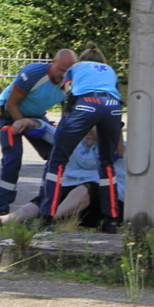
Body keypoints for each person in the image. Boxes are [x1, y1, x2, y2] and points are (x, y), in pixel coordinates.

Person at [37, 44, 123, 233]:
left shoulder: (74, 68)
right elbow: (116, 94)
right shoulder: (110, 71)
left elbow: (69, 93)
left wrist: (66, 123)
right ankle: (111, 220)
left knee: (57, 161)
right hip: (112, 106)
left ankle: (47, 218)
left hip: (87, 104)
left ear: (81, 60)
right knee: (107, 164)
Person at [0, 126, 121, 230]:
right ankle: (2, 220)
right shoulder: (82, 146)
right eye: (87, 127)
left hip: (112, 207)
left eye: (94, 127)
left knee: (88, 188)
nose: (88, 131)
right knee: (52, 194)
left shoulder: (119, 149)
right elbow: (54, 133)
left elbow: (111, 148)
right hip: (81, 206)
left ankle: (44, 222)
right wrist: (32, 123)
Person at [0, 49, 76, 216]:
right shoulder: (33, 74)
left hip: (36, 115)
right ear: (52, 62)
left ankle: (45, 202)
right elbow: (12, 103)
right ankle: (2, 209)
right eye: (60, 70)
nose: (63, 75)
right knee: (13, 157)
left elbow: (66, 114)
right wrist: (21, 123)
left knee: (56, 154)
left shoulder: (70, 82)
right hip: (10, 114)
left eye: (67, 71)